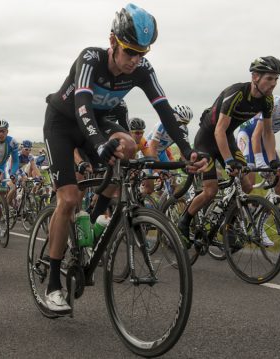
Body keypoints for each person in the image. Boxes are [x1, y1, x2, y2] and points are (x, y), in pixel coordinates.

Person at [41, 3, 203, 313]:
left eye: (143, 53)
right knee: (70, 199)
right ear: (113, 41)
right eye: (130, 51)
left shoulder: (142, 69)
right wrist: (99, 144)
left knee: (128, 146)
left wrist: (187, 149)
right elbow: (82, 107)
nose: (135, 60)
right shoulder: (91, 58)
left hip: (99, 123)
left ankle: (99, 215)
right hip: (64, 123)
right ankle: (53, 284)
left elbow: (165, 111)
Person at [178, 56, 280, 247]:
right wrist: (228, 161)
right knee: (210, 190)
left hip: (226, 138)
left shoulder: (267, 101)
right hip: (207, 140)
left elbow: (267, 133)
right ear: (255, 77)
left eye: (276, 79)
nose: (274, 83)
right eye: (270, 78)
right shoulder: (236, 93)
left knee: (247, 183)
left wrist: (272, 160)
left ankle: (230, 226)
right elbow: (219, 129)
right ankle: (184, 221)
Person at [142, 104, 193, 194]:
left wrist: (188, 164)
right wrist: (159, 169)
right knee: (149, 188)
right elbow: (152, 148)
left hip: (161, 153)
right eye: (181, 122)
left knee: (173, 180)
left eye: (186, 123)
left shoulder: (184, 130)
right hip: (147, 153)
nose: (183, 126)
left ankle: (167, 204)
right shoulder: (162, 125)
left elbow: (183, 151)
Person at [0, 120, 20, 204]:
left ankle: (0, 214)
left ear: (7, 132)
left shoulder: (12, 142)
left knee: (2, 193)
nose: (1, 134)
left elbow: (16, 161)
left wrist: (13, 174)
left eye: (3, 131)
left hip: (2, 168)